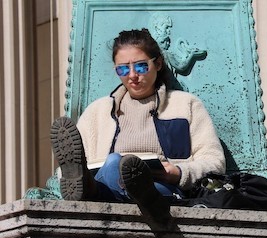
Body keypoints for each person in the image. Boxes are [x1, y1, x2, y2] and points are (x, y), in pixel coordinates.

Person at [50, 28, 225, 224]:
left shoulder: (186, 105)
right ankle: (101, 189)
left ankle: (103, 191)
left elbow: (214, 161)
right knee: (113, 163)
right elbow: (69, 170)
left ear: (157, 63)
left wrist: (178, 173)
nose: (132, 75)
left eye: (140, 67)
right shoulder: (97, 112)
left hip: (165, 189)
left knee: (118, 167)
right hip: (110, 184)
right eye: (123, 69)